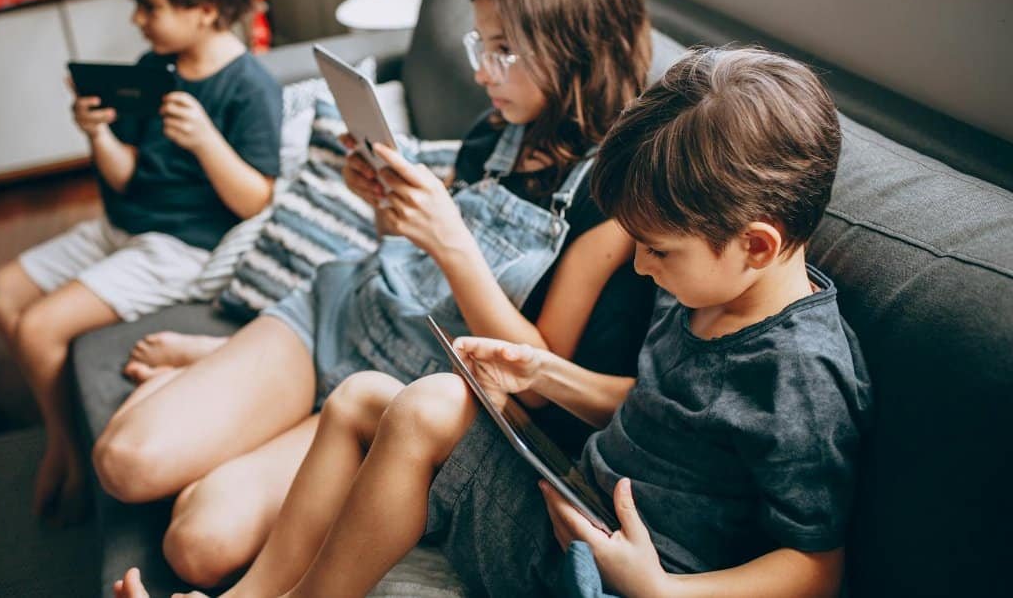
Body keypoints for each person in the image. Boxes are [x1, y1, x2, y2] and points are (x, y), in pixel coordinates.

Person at [131, 46, 873, 598]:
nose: (641, 268)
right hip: (575, 506)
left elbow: (815, 564)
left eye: (656, 251)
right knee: (365, 395)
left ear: (758, 244)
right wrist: (545, 371)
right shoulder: (712, 288)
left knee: (424, 403)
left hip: (618, 575)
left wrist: (663, 589)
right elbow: (656, 407)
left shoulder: (802, 372)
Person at [93, 0, 657, 587]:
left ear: (577, 46)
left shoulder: (610, 202)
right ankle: (231, 381)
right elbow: (409, 257)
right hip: (349, 313)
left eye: (503, 50)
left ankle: (234, 391)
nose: (481, 72)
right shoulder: (498, 132)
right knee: (123, 462)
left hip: (397, 383)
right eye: (482, 46)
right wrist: (386, 206)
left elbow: (530, 377)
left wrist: (450, 242)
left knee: (198, 543)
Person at [0, 0, 281, 524]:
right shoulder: (156, 66)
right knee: (4, 290)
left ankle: (63, 451)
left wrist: (206, 143)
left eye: (150, 7)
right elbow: (125, 177)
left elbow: (256, 200)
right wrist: (96, 132)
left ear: (204, 10)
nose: (137, 20)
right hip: (124, 224)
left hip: (180, 245)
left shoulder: (250, 87)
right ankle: (63, 421)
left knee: (40, 328)